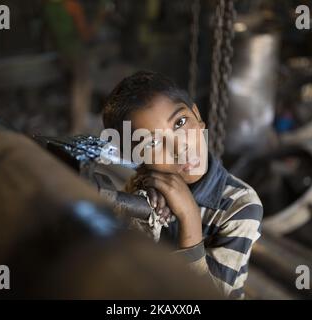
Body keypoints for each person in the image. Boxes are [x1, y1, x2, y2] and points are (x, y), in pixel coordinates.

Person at [102, 71, 263, 299]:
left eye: (180, 123)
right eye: (153, 142)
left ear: (197, 116)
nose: (180, 149)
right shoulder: (141, 186)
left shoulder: (241, 205)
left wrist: (189, 216)